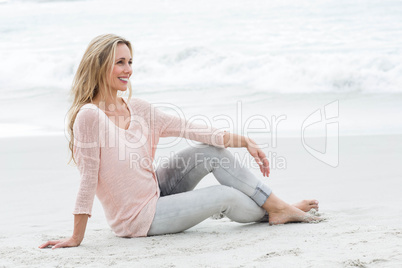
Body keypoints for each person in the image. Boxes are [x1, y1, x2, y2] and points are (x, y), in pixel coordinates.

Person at [39, 34, 320, 250]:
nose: (128, 69)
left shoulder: (138, 108)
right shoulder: (89, 116)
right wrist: (76, 237)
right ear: (100, 66)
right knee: (225, 197)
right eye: (120, 62)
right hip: (137, 218)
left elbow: (188, 128)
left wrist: (242, 140)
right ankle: (281, 211)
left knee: (209, 152)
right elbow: (88, 179)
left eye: (130, 61)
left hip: (154, 191)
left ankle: (279, 207)